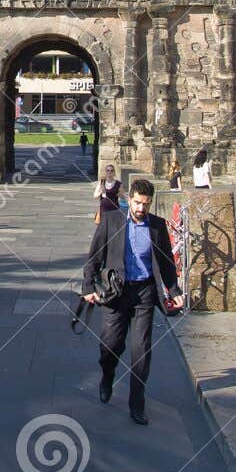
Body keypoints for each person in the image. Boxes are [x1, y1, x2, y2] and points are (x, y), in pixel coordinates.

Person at [82, 178, 180, 425]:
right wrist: (88, 287)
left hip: (145, 293)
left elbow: (166, 261)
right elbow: (94, 256)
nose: (140, 209)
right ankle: (107, 374)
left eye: (146, 204)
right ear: (129, 199)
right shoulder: (111, 221)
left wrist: (173, 288)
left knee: (142, 351)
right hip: (116, 293)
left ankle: (137, 403)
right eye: (137, 203)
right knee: (110, 346)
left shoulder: (157, 226)